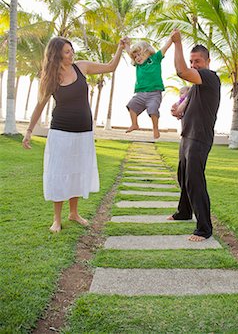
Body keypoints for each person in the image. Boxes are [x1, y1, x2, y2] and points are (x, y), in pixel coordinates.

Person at [22, 36, 126, 233]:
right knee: (60, 173)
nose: (72, 54)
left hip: (83, 132)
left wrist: (120, 48)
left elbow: (110, 67)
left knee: (77, 171)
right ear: (56, 54)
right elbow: (40, 105)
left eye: (72, 50)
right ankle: (57, 219)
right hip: (61, 132)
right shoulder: (51, 77)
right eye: (67, 52)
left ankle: (74, 213)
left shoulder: (81, 67)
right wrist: (28, 131)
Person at [167, 29, 221, 242]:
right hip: (187, 135)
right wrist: (179, 110)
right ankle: (184, 212)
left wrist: (177, 44)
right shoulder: (195, 86)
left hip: (199, 137)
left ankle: (204, 229)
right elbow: (186, 104)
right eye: (191, 61)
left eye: (197, 61)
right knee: (183, 176)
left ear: (207, 61)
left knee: (195, 181)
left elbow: (181, 72)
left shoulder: (209, 77)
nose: (193, 65)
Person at [125, 37, 172, 139]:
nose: (137, 58)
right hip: (140, 94)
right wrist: (126, 44)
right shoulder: (138, 65)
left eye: (139, 54)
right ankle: (134, 124)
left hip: (154, 93)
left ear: (147, 52)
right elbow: (129, 52)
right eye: (135, 56)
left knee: (153, 109)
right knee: (131, 106)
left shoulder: (155, 58)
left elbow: (165, 47)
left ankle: (155, 128)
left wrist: (171, 38)